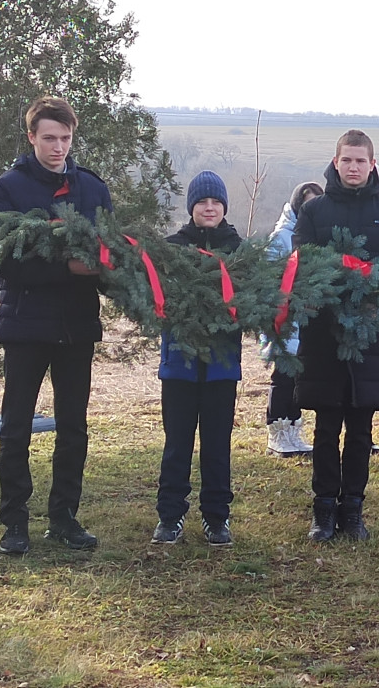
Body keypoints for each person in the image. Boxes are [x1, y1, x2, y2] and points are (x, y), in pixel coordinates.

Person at [0, 96, 113, 555]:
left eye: (65, 138)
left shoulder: (93, 190)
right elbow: (7, 264)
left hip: (77, 328)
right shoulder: (9, 189)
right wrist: (69, 269)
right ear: (31, 138)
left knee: (73, 426)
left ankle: (64, 518)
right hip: (25, 326)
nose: (58, 147)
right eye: (49, 138)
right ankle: (14, 523)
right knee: (16, 425)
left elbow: (107, 256)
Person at [294, 130, 379, 541]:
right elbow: (302, 264)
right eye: (348, 160)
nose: (354, 168)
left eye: (362, 161)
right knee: (326, 427)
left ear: (372, 164)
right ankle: (323, 509)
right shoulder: (313, 212)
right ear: (336, 161)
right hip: (324, 336)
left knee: (361, 430)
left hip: (371, 336)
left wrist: (372, 283)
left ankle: (353, 509)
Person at [152, 172, 243, 547]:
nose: (210, 208)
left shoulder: (239, 250)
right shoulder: (172, 248)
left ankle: (216, 517)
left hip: (222, 364)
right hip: (180, 363)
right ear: (191, 208)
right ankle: (170, 516)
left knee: (217, 442)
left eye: (216, 203)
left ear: (224, 207)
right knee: (177, 441)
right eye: (203, 202)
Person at [264, 181, 323, 457]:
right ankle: (277, 431)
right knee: (284, 376)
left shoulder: (319, 235)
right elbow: (270, 280)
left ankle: (294, 431)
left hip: (308, 320)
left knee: (300, 378)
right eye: (306, 203)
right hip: (285, 318)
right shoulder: (281, 238)